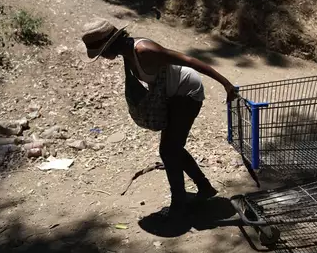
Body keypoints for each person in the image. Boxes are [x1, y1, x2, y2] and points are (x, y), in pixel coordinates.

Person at [81, 18, 238, 217]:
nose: (102, 57)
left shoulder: (144, 50)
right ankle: (203, 188)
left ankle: (179, 204)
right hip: (173, 94)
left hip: (187, 90)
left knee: (168, 149)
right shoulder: (127, 54)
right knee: (172, 147)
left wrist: (226, 84)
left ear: (109, 45)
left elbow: (189, 60)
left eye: (101, 52)